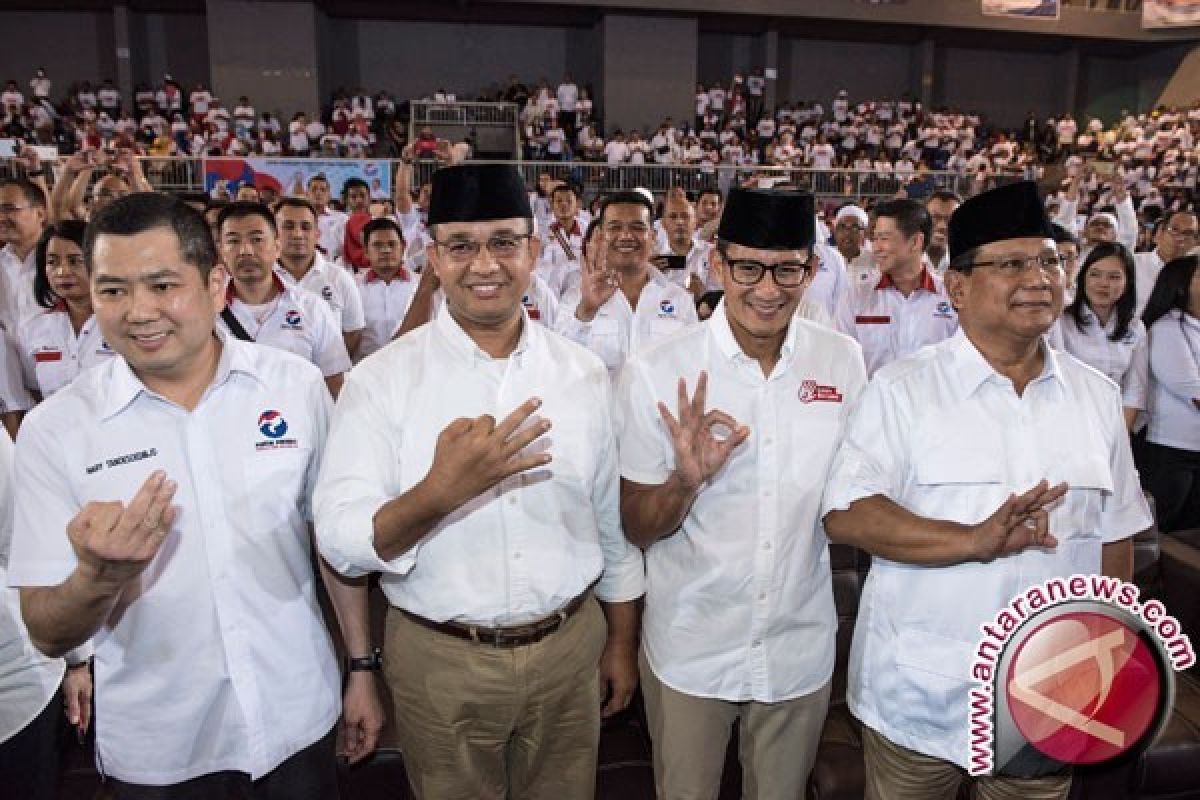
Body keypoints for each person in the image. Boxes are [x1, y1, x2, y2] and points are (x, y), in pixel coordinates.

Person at [9, 192, 383, 799]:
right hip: (162, 751)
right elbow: (47, 632)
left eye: (162, 285)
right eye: (112, 290)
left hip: (298, 716)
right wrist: (100, 576)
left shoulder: (296, 387)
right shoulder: (57, 430)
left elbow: (330, 545)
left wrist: (362, 666)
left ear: (215, 285)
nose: (138, 312)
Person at [314, 164, 644, 799]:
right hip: (443, 659)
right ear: (434, 258)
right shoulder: (383, 380)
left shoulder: (580, 373)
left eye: (503, 242)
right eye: (461, 245)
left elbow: (609, 525)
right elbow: (339, 540)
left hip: (570, 646)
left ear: (535, 252)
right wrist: (437, 494)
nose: (484, 264)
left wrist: (621, 641)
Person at [822, 181, 1151, 800]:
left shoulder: (1095, 398)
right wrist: (972, 539)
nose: (1040, 278)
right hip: (919, 696)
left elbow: (1115, 538)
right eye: (1012, 264)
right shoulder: (902, 390)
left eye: (1050, 261)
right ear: (958, 288)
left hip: (1047, 704)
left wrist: (1111, 653)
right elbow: (847, 514)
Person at [619, 187, 867, 800]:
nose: (767, 288)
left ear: (811, 269)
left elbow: (855, 500)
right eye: (748, 267)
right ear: (718, 263)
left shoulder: (841, 362)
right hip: (691, 646)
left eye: (787, 268)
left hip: (797, 645)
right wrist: (686, 481)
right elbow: (636, 527)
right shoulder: (658, 368)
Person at [558, 191, 698, 378]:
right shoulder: (575, 300)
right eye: (615, 227)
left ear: (653, 236)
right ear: (600, 235)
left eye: (637, 227)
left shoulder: (680, 301)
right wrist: (586, 311)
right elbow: (561, 366)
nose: (626, 236)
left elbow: (693, 368)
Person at [217, 202, 351, 396]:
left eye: (256, 239)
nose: (245, 250)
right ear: (221, 251)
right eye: (233, 241)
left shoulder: (312, 308)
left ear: (277, 247)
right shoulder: (206, 312)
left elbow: (334, 381)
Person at [852, 198, 958, 376]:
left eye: (884, 238)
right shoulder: (855, 297)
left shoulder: (951, 297)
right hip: (872, 402)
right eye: (875, 239)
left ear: (916, 242)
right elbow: (843, 364)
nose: (876, 248)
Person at [1049, 242, 1147, 432]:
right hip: (1068, 423)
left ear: (1127, 283)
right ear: (1083, 277)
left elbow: (1135, 389)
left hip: (1114, 422)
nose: (1103, 283)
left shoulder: (1135, 327)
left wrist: (1120, 437)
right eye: (1095, 274)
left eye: (1114, 277)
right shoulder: (1061, 322)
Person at [18, 220, 117, 400]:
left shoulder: (123, 321)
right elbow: (34, 391)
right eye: (52, 262)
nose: (62, 271)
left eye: (74, 261)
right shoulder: (33, 329)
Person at [1139, 254, 1200, 534]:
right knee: (1162, 527)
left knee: (1190, 531)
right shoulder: (1166, 328)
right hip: (1172, 447)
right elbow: (1189, 387)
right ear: (1181, 285)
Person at [274, 197, 366, 358]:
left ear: (317, 234)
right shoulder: (263, 278)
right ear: (274, 233)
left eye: (305, 227)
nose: (297, 234)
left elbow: (353, 332)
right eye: (288, 226)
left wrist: (329, 368)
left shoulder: (339, 278)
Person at [355, 217, 415, 362]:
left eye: (392, 244)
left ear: (403, 247)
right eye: (377, 245)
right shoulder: (353, 287)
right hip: (366, 370)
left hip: (412, 367)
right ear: (366, 251)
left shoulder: (420, 285)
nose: (386, 250)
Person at [1133, 211, 1197, 319]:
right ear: (1160, 233)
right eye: (1174, 230)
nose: (1180, 238)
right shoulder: (1133, 264)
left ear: (1195, 241)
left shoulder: (1195, 277)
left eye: (1188, 233)